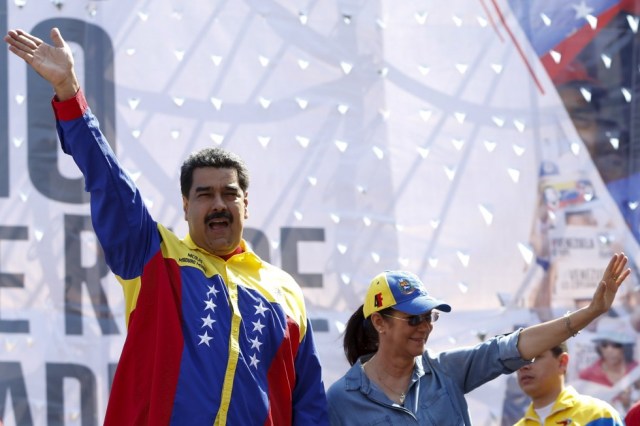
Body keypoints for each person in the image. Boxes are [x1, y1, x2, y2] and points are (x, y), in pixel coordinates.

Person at [4, 28, 329, 425]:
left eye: (229, 194)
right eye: (205, 195)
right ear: (186, 205)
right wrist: (71, 94)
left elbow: (308, 403)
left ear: (247, 204)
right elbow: (109, 182)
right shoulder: (154, 256)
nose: (219, 205)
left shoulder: (285, 291)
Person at [326, 254, 630, 426]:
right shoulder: (341, 399)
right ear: (379, 322)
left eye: (430, 317)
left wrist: (592, 311)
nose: (424, 327)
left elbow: (516, 346)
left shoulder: (447, 372)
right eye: (414, 318)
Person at [515, 341, 623, 425]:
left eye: (534, 358)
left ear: (562, 362)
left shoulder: (599, 415)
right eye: (518, 360)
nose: (524, 366)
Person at [579, 315, 640, 413]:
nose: (609, 350)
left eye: (616, 345)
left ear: (624, 347)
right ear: (599, 347)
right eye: (604, 344)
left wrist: (630, 403)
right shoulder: (587, 375)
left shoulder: (636, 372)